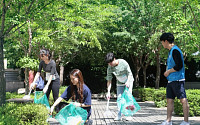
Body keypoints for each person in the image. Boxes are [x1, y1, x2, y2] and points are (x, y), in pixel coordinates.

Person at [159, 33, 190, 125]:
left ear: (166, 41)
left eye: (162, 42)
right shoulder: (171, 51)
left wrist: (168, 72)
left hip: (178, 80)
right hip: (171, 80)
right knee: (169, 100)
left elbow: (179, 66)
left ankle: (186, 121)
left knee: (183, 100)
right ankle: (168, 121)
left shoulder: (175, 50)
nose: (162, 44)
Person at [105, 52, 134, 121]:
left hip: (128, 81)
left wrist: (127, 82)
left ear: (114, 59)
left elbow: (130, 74)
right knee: (119, 98)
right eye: (108, 63)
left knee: (128, 97)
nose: (110, 64)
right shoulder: (110, 67)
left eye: (111, 62)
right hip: (119, 82)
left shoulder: (123, 63)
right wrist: (108, 92)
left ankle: (129, 114)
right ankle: (119, 115)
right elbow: (109, 80)